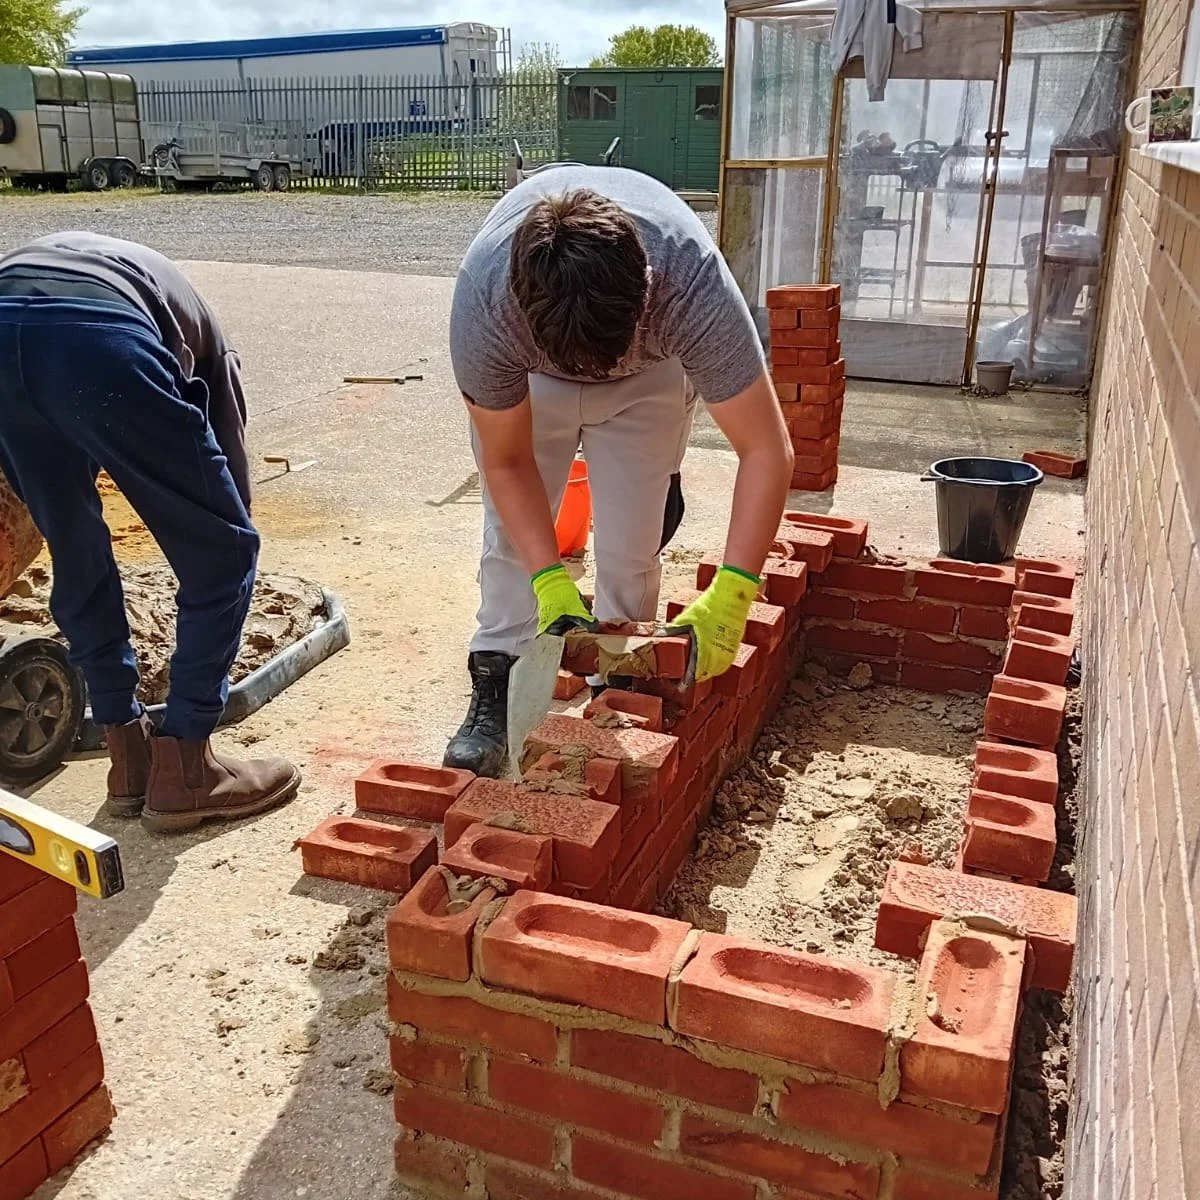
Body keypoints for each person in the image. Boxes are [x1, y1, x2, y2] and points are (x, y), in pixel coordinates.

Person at [444, 167, 795, 777]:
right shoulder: (486, 304)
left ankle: (618, 688)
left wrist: (734, 594)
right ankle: (494, 680)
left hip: (650, 379)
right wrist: (550, 580)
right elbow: (505, 460)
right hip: (535, 385)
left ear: (649, 290)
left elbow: (766, 449)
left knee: (632, 546)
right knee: (510, 542)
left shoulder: (689, 282)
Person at [0, 233, 299, 832]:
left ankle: (128, 757)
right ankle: (188, 768)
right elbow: (228, 492)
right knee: (224, 552)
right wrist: (227, 541)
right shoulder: (213, 344)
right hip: (95, 336)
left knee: (75, 546)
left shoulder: (125, 273)